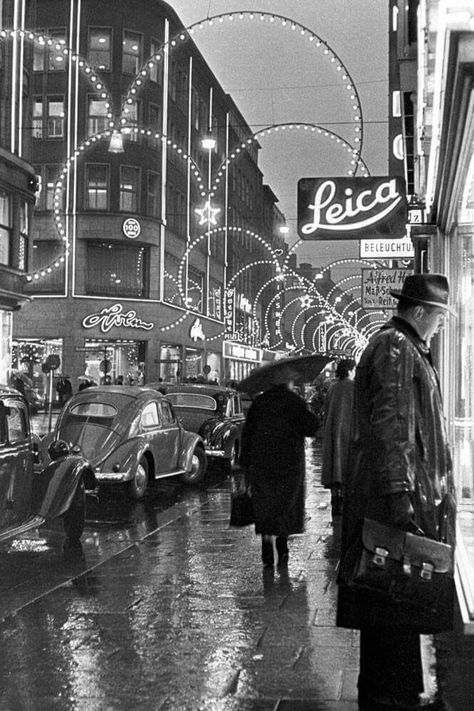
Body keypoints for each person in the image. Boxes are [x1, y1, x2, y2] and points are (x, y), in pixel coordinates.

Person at [337, 274, 456, 711]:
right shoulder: (395, 348)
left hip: (395, 492)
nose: (442, 325)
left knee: (393, 601)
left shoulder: (402, 347)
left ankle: (396, 692)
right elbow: (393, 426)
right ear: (421, 312)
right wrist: (399, 495)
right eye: (440, 317)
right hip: (393, 498)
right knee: (390, 596)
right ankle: (391, 697)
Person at [239, 380, 319, 568]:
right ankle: (282, 545)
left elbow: (248, 433)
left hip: (262, 463)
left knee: (265, 502)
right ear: (287, 383)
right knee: (284, 503)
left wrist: (244, 461)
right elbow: (311, 427)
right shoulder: (294, 401)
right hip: (288, 464)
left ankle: (266, 541)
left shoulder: (260, 402)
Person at [321, 358, 356, 519]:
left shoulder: (333, 388)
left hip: (333, 432)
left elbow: (327, 410)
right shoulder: (353, 388)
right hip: (348, 433)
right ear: (349, 371)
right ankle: (345, 501)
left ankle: (335, 500)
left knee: (335, 466)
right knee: (347, 467)